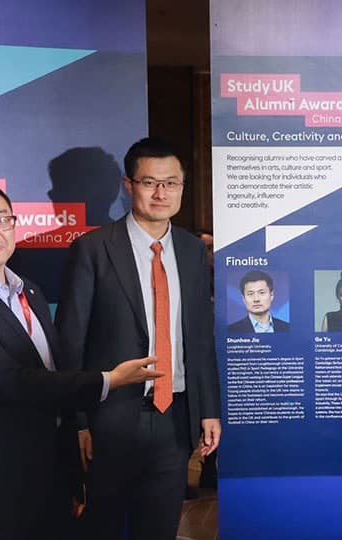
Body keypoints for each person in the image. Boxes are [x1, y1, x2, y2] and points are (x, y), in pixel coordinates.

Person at [0, 182, 161, 540]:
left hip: (44, 482)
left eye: (2, 220)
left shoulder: (28, 291)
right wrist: (108, 380)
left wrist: (71, 475)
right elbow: (11, 382)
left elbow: (54, 381)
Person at [55, 138, 221, 540]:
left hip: (174, 419)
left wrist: (208, 410)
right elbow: (71, 341)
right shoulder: (93, 249)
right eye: (150, 182)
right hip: (109, 420)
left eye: (171, 183)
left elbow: (199, 338)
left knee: (159, 529)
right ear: (128, 185)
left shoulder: (192, 251)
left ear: (182, 186)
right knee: (102, 529)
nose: (161, 193)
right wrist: (79, 423)